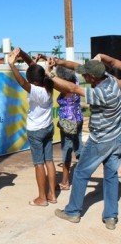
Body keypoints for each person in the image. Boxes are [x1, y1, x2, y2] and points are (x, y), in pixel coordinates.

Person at [47, 58, 121, 230]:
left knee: (80, 172)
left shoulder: (101, 94)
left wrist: (49, 74)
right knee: (110, 177)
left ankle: (72, 212)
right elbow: (77, 67)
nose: (83, 76)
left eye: (86, 75)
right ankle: (111, 217)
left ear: (93, 78)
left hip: (101, 141)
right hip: (116, 138)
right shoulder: (109, 79)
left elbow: (73, 88)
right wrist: (58, 61)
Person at [8, 48, 56, 206]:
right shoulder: (48, 82)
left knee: (39, 163)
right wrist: (21, 52)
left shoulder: (35, 91)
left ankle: (42, 197)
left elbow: (22, 82)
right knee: (49, 160)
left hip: (36, 131)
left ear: (33, 82)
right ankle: (52, 195)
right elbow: (32, 65)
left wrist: (11, 64)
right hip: (48, 128)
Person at [36, 54, 83, 190]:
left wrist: (48, 70)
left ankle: (65, 181)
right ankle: (84, 171)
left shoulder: (64, 88)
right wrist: (49, 59)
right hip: (78, 118)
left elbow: (49, 79)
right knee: (79, 147)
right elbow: (68, 67)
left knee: (66, 150)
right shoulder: (75, 82)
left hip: (67, 122)